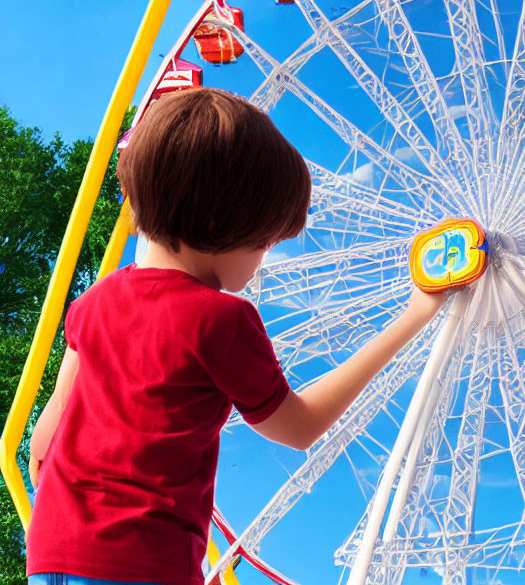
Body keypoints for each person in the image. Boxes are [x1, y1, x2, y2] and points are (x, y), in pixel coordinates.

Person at [26, 87, 447, 585]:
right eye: (263, 244)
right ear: (216, 225)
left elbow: (42, 445)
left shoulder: (92, 305)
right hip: (145, 562)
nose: (262, 259)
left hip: (52, 555)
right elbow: (299, 427)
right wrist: (415, 315)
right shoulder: (220, 320)